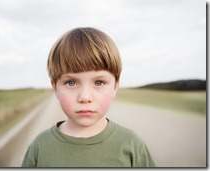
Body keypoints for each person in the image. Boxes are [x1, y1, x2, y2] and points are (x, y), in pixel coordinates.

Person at [21, 27, 156, 167]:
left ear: (115, 86)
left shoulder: (132, 145)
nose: (85, 97)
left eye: (99, 82)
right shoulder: (40, 146)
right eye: (71, 83)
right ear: (55, 88)